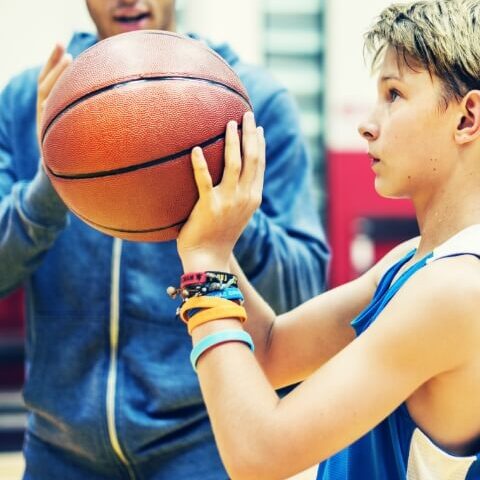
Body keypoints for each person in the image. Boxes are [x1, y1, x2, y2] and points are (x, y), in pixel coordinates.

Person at [0, 1, 329, 479]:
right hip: (59, 454)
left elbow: (302, 293)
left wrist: (229, 212)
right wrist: (49, 187)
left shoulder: (250, 100)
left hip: (204, 453)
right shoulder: (27, 102)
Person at [172, 0, 480, 478]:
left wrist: (206, 264)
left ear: (467, 118)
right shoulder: (411, 263)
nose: (367, 122)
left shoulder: (457, 290)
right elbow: (271, 351)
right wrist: (206, 237)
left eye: (394, 94)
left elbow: (259, 455)